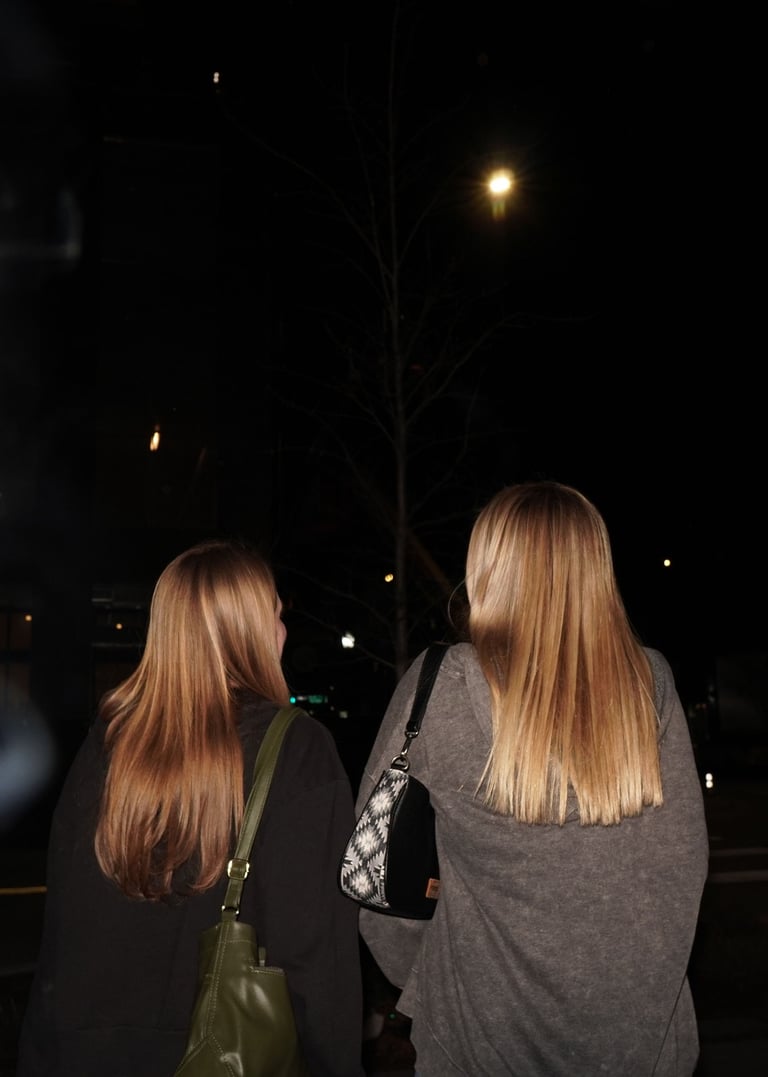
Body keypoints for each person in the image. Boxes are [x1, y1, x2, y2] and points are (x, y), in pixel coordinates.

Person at [356, 481, 709, 1076]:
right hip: (637, 1045)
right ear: (595, 570)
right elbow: (682, 868)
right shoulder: (648, 684)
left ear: (488, 567)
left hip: (476, 1045)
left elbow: (374, 870)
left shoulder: (441, 688)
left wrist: (435, 981)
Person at [17, 539, 365, 1077]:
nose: (283, 631)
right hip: (223, 1054)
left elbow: (63, 930)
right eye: (275, 614)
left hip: (84, 1053)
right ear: (249, 631)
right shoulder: (298, 750)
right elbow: (317, 958)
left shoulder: (110, 740)